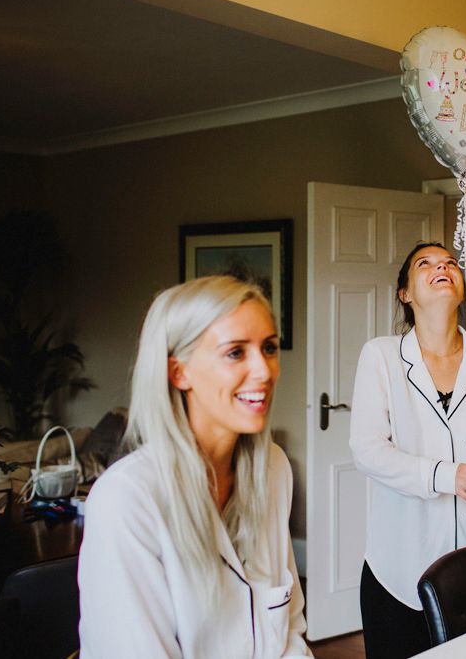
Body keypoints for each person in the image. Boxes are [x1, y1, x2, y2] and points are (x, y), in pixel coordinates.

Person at [78, 275, 311, 658]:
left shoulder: (273, 468)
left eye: (269, 348)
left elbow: (289, 633)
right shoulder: (127, 500)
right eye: (235, 352)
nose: (265, 371)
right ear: (178, 372)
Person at [350, 242, 466, 659]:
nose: (442, 267)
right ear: (405, 293)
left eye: (450, 262)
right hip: (397, 569)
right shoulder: (381, 357)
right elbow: (367, 449)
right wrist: (445, 475)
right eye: (425, 264)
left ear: (462, 288)